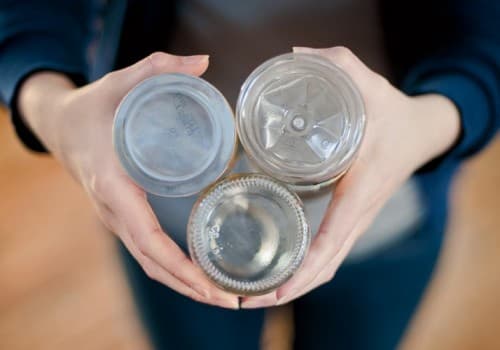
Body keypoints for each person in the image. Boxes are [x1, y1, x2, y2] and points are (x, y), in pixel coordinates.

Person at [0, 0, 498, 349]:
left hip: (385, 222)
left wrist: (430, 122)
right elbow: (36, 9)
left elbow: (485, 42)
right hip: (174, 224)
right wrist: (52, 107)